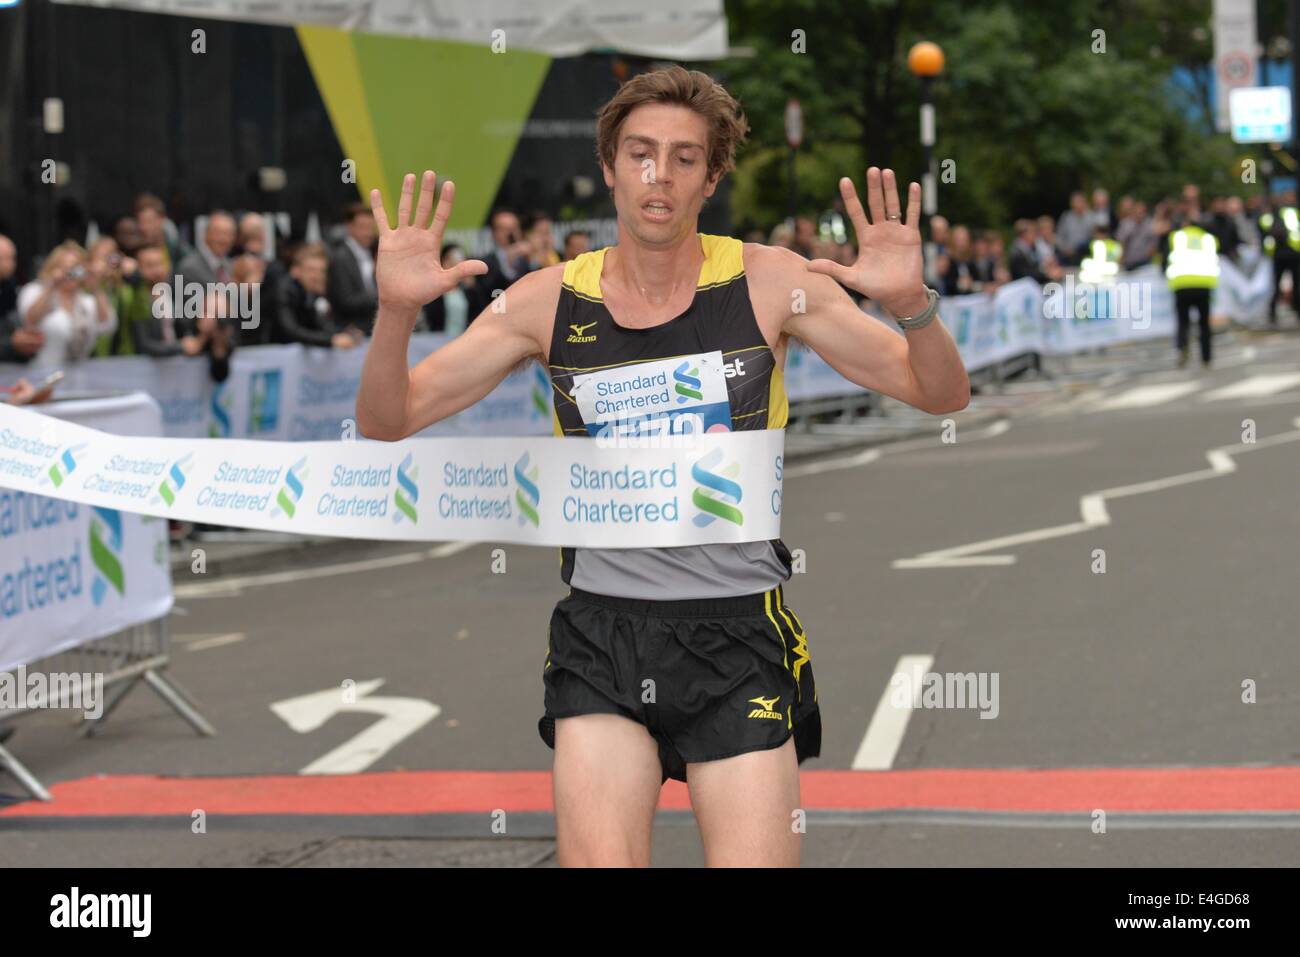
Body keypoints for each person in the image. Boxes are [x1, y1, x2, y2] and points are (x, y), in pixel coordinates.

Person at [355, 65, 968, 868]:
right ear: (610, 166)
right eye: (640, 153)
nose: (659, 174)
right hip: (602, 636)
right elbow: (387, 419)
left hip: (737, 630)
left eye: (684, 157)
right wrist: (397, 310)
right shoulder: (545, 300)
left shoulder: (769, 281)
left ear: (710, 177)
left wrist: (912, 305)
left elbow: (939, 391)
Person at [18, 241, 117, 366]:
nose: (69, 273)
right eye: (63, 267)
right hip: (42, 371)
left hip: (79, 373)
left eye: (75, 268)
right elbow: (29, 320)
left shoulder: (87, 301)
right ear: (52, 268)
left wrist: (95, 287)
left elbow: (107, 326)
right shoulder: (35, 290)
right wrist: (51, 285)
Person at [275, 243, 361, 349]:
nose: (317, 276)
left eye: (322, 271)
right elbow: (291, 331)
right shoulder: (283, 290)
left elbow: (319, 327)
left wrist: (343, 332)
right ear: (295, 271)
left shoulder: (313, 293)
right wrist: (331, 340)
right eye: (311, 270)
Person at [1164, 220, 1219, 368]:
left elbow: (1165, 258)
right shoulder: (1208, 239)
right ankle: (1206, 358)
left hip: (1182, 284)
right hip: (1204, 284)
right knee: (1204, 324)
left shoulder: (1176, 237)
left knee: (1183, 322)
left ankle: (1182, 348)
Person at [328, 202, 379, 335]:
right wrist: (384, 296)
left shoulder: (374, 253)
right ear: (349, 226)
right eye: (363, 227)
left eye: (371, 228)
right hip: (350, 331)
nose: (368, 233)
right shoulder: (339, 258)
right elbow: (346, 300)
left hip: (373, 328)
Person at [420, 244, 484, 336]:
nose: (454, 265)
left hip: (463, 339)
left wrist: (472, 288)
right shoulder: (434, 289)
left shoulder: (468, 290)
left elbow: (479, 313)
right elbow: (429, 316)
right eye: (450, 261)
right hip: (436, 340)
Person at [476, 207, 533, 306]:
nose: (510, 233)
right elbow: (490, 294)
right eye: (504, 229)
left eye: (514, 228)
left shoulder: (526, 259)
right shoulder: (485, 263)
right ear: (494, 233)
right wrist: (507, 264)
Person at [176, 210, 236, 286]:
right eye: (218, 233)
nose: (223, 239)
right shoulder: (189, 268)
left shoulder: (232, 266)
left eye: (228, 234)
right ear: (205, 235)